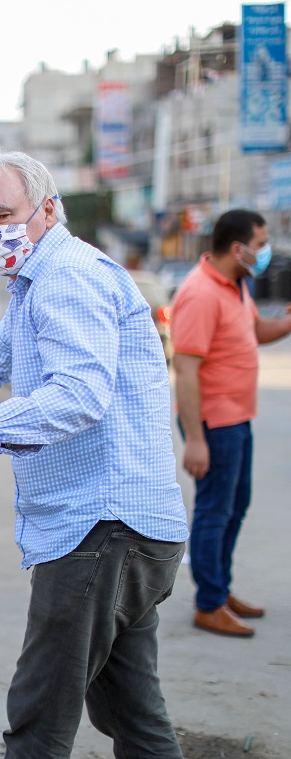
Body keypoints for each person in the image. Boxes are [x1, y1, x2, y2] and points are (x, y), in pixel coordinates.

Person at [0, 146, 189, 758]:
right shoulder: (36, 283)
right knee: (134, 716)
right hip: (128, 530)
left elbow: (79, 395)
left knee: (39, 721)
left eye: (1, 214)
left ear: (47, 209)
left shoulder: (68, 277)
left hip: (103, 527)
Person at [170, 209, 291, 637]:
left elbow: (255, 332)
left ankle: (219, 590)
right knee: (215, 511)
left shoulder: (237, 285)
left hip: (238, 418)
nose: (265, 252)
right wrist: (196, 440)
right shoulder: (200, 294)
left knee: (234, 508)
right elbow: (185, 370)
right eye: (260, 244)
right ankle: (208, 603)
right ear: (237, 248)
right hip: (214, 423)